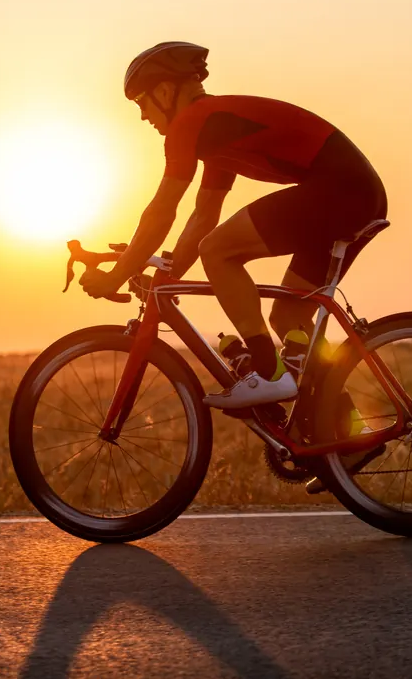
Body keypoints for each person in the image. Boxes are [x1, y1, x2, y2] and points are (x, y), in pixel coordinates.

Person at [80, 41, 387, 408]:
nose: (144, 116)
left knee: (218, 250)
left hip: (339, 191)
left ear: (164, 91)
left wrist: (116, 275)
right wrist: (170, 272)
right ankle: (341, 430)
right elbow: (204, 213)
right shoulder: (216, 129)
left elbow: (163, 210)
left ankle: (269, 373)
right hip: (353, 193)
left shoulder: (192, 122)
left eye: (142, 103)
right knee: (288, 316)